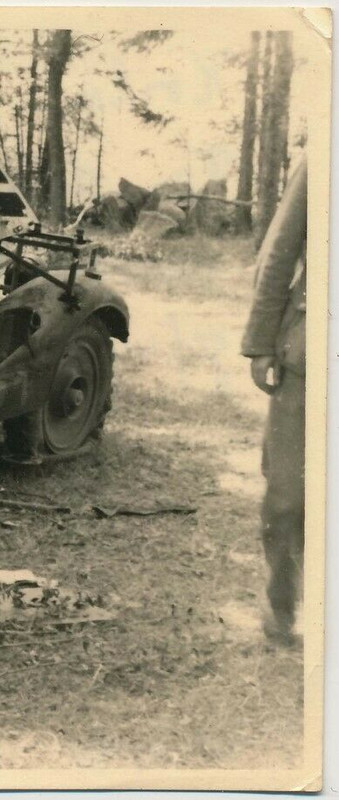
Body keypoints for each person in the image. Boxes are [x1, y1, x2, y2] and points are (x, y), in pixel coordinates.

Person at [241, 156, 307, 646]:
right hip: (314, 354)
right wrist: (262, 342)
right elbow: (278, 254)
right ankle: (283, 608)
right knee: (289, 494)